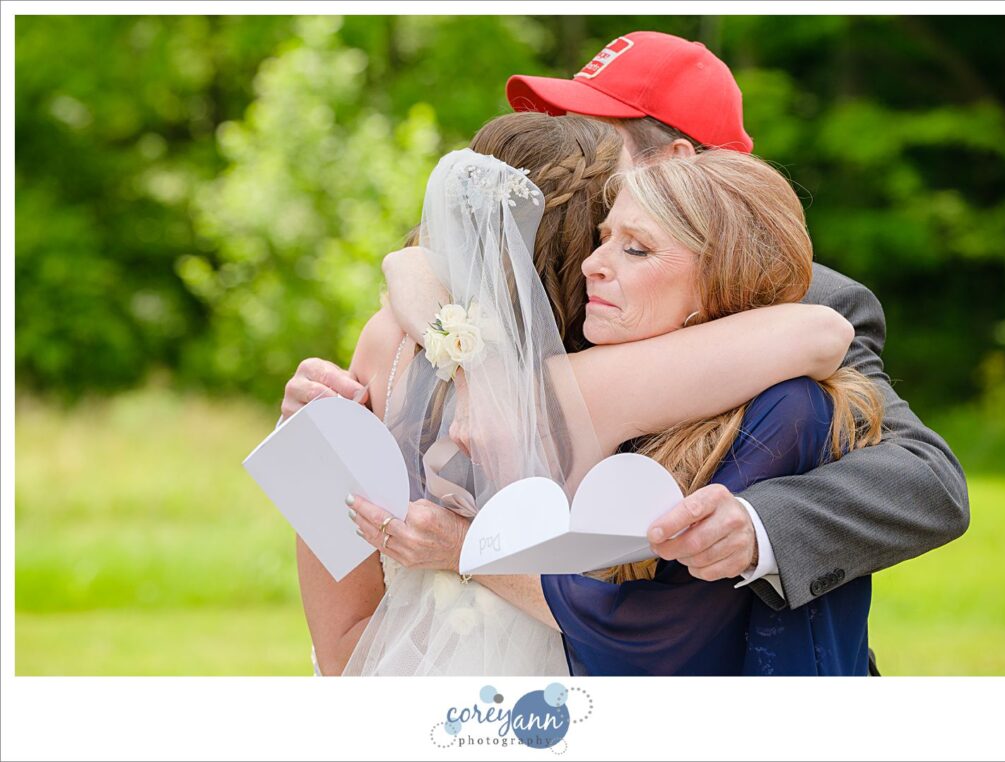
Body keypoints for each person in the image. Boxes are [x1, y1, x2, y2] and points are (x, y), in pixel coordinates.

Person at [292, 31, 969, 617]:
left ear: (673, 163)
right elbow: (414, 274)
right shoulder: (551, 279)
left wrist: (761, 525)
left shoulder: (805, 302)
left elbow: (927, 480)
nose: (564, 153)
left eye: (591, 134)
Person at [299, 112, 854, 676]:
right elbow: (823, 331)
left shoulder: (384, 343)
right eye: (603, 236)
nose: (596, 264)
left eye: (636, 246)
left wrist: (451, 337)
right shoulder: (590, 386)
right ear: (574, 247)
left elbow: (340, 640)